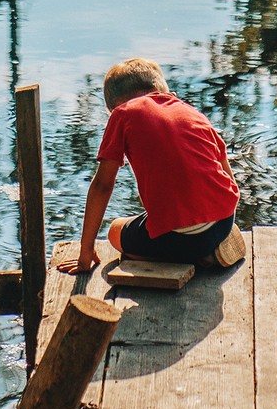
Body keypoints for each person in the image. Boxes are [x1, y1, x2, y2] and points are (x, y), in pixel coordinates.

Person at [58, 57, 244, 273]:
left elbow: (102, 185)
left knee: (115, 232)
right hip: (224, 221)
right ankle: (209, 249)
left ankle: (194, 256)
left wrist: (85, 251)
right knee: (161, 221)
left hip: (184, 237)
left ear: (113, 107)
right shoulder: (191, 111)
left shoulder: (122, 113)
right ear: (163, 91)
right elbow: (225, 171)